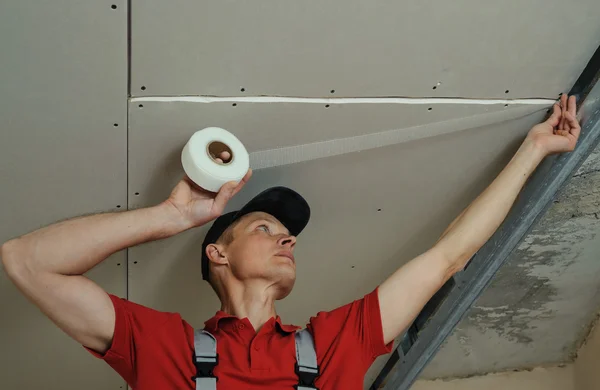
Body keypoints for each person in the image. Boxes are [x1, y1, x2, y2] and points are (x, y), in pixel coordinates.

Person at [1, 95, 581, 389]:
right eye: (266, 229)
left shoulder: (332, 346)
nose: (288, 242)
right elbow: (27, 263)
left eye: (288, 236)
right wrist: (171, 215)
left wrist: (533, 150)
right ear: (217, 252)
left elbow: (449, 256)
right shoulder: (162, 349)